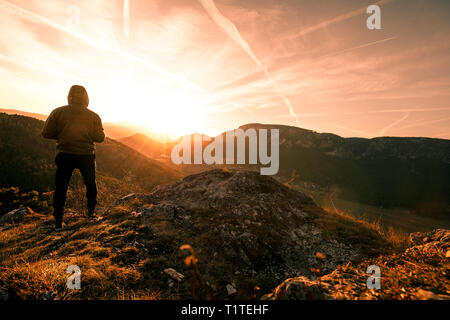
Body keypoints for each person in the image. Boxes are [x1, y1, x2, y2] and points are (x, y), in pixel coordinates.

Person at [42, 85, 105, 229]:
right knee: (90, 184)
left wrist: (63, 135)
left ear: (69, 96)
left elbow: (46, 133)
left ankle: (58, 221)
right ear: (86, 97)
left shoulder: (58, 112)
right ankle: (91, 213)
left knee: (61, 187)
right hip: (86, 155)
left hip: (65, 154)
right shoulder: (94, 116)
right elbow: (100, 138)